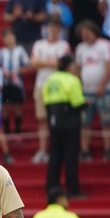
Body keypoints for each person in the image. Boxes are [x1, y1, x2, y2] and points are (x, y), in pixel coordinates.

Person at [43, 54, 87, 196]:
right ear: (69, 66)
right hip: (69, 122)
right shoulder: (72, 80)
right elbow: (77, 103)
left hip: (53, 120)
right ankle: (73, 189)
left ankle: (51, 188)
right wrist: (86, 103)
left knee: (55, 155)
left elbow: (45, 100)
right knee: (70, 156)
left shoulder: (50, 79)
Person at [74, 21, 110, 161]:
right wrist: (78, 86)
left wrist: (102, 85)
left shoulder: (105, 45)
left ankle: (108, 149)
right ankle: (85, 150)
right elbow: (78, 68)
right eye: (82, 33)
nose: (85, 35)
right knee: (84, 122)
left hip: (105, 90)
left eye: (87, 32)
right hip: (86, 90)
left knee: (106, 121)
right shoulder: (80, 48)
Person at [30, 18, 69, 162]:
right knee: (42, 118)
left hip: (59, 86)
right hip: (41, 84)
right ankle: (43, 150)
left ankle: (58, 150)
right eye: (51, 27)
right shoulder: (39, 44)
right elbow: (34, 63)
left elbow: (64, 64)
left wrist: (43, 63)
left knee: (59, 120)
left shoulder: (64, 45)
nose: (53, 30)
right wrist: (54, 63)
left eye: (56, 28)